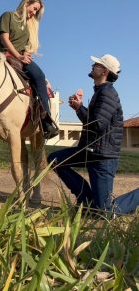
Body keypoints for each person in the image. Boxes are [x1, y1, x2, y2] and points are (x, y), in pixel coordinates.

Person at [48, 54, 124, 213]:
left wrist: (80, 109)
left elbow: (97, 125)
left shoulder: (107, 93)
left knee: (104, 212)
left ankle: (96, 205)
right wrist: (79, 108)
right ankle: (86, 201)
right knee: (55, 160)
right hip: (90, 151)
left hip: (103, 157)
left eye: (97, 64)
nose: (93, 65)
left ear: (105, 71)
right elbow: (95, 122)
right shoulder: (100, 92)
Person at [0, 0, 59, 139]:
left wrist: (26, 54)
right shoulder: (8, 16)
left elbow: (25, 45)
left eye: (36, 11)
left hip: (21, 57)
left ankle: (46, 120)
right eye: (34, 9)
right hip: (2, 54)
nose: (34, 13)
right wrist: (18, 55)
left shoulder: (29, 27)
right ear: (26, 3)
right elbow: (4, 39)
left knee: (40, 76)